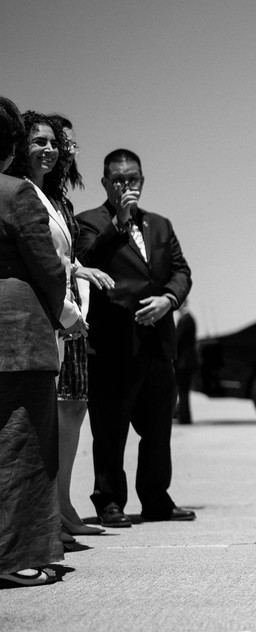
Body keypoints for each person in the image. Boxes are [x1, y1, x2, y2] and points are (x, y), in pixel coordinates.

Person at [75, 149, 195, 528]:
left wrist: (169, 299)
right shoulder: (89, 223)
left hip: (158, 342)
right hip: (113, 345)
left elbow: (180, 270)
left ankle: (156, 499)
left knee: (159, 428)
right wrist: (120, 222)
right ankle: (109, 501)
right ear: (106, 183)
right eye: (120, 181)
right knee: (110, 428)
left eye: (134, 180)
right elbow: (90, 259)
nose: (128, 187)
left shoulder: (160, 224)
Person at [0, 96, 71, 587]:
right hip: (17, 339)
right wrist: (62, 310)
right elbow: (48, 266)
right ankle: (17, 557)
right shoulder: (15, 193)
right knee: (22, 450)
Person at [48, 113, 114, 537]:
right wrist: (76, 268)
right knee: (54, 414)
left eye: (68, 144)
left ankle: (64, 505)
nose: (67, 151)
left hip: (75, 316)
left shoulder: (61, 201)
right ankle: (51, 511)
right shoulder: (33, 195)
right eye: (60, 143)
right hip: (55, 317)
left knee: (73, 410)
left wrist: (78, 269)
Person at [173, 299, 197, 425]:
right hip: (188, 361)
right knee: (184, 391)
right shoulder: (190, 319)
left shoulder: (185, 320)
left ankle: (184, 416)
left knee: (182, 391)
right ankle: (184, 415)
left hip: (183, 362)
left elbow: (178, 340)